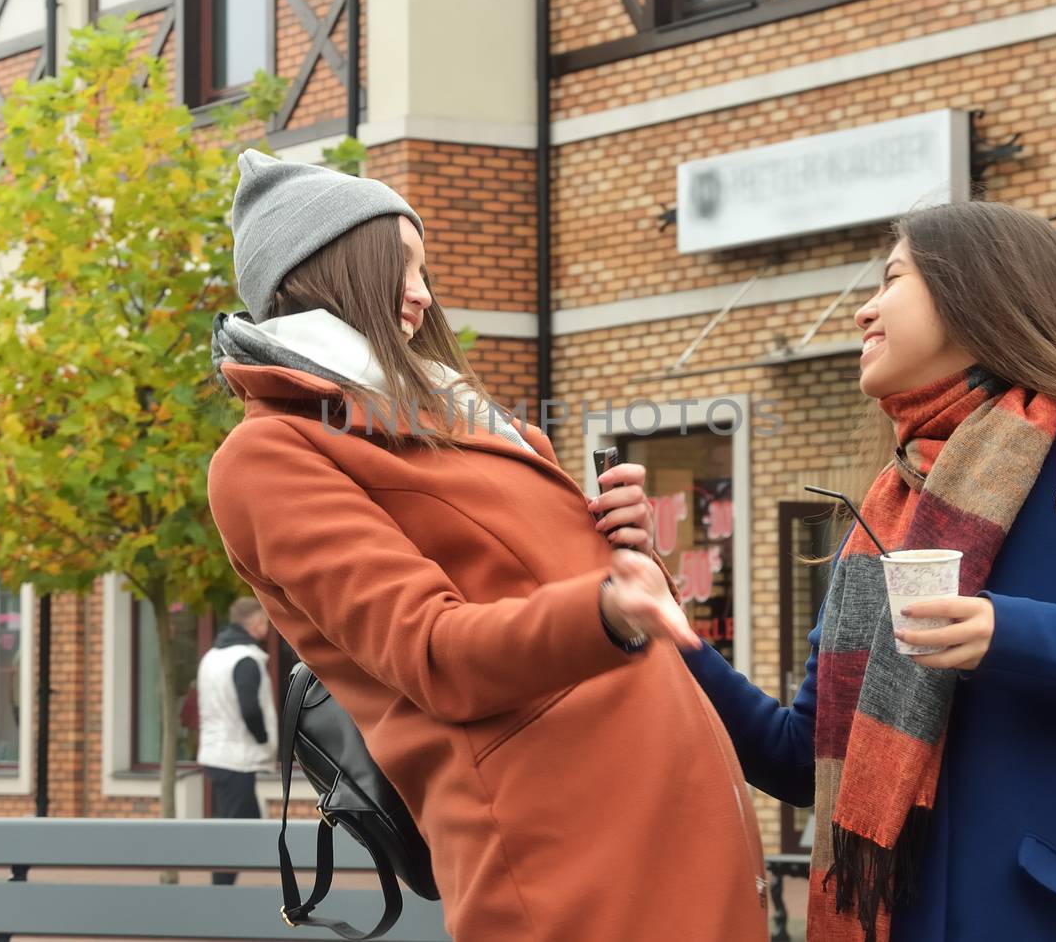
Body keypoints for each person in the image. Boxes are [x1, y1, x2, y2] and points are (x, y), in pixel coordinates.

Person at [206, 152, 770, 942]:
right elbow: (432, 650)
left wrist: (621, 552)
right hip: (571, 858)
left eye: (423, 269)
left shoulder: (462, 419)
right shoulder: (269, 457)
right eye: (398, 265)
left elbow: (560, 604)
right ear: (327, 271)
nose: (422, 294)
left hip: (661, 822)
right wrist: (605, 607)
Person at [680, 201, 1056, 942]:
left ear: (975, 291)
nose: (864, 310)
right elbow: (799, 758)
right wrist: (672, 635)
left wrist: (1004, 633)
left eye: (892, 279)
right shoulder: (887, 509)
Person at [195, 596, 279, 885]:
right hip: (236, 757)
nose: (267, 629)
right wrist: (264, 738)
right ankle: (222, 892)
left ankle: (225, 888)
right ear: (256, 623)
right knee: (240, 830)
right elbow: (250, 708)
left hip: (216, 754)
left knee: (240, 825)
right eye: (266, 623)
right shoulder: (246, 659)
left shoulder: (212, 657)